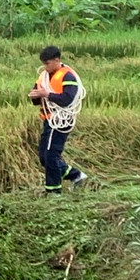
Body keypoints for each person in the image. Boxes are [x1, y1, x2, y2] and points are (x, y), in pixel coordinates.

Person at [28, 45, 86, 195]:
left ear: (56, 60)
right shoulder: (43, 77)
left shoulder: (68, 76)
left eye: (47, 63)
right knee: (44, 157)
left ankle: (53, 192)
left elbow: (67, 99)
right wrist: (35, 96)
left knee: (51, 155)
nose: (45, 67)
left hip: (61, 121)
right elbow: (37, 97)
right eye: (43, 64)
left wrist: (47, 94)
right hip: (48, 120)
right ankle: (75, 175)